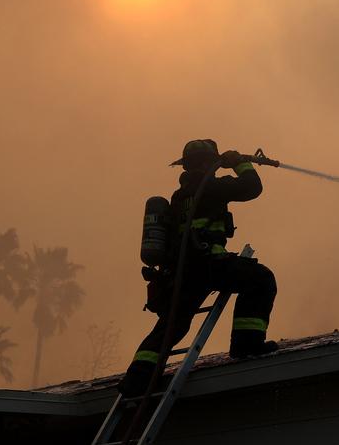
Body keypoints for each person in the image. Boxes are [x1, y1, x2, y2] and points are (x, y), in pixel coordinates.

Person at [119, 139, 278, 398]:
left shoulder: (179, 196)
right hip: (210, 264)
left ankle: (137, 378)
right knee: (261, 279)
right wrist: (240, 162)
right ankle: (246, 343)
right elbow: (252, 187)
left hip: (184, 273)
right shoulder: (211, 187)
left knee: (173, 325)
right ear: (207, 163)